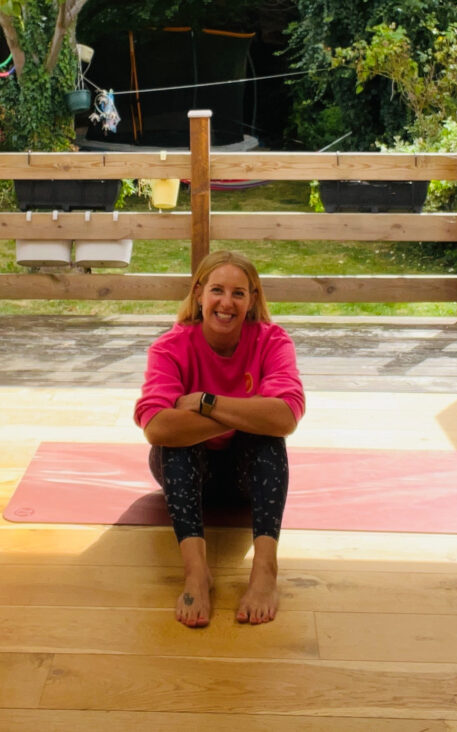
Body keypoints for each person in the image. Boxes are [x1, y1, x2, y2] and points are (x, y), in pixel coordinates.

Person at [134, 250, 305, 628]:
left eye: (239, 293)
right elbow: (157, 427)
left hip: (249, 479)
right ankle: (196, 572)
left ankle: (265, 570)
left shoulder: (272, 341)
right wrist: (248, 412)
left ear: (253, 299)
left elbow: (285, 417)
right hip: (189, 474)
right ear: (198, 294)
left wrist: (206, 404)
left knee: (268, 440)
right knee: (178, 444)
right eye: (217, 290)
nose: (226, 303)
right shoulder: (169, 347)